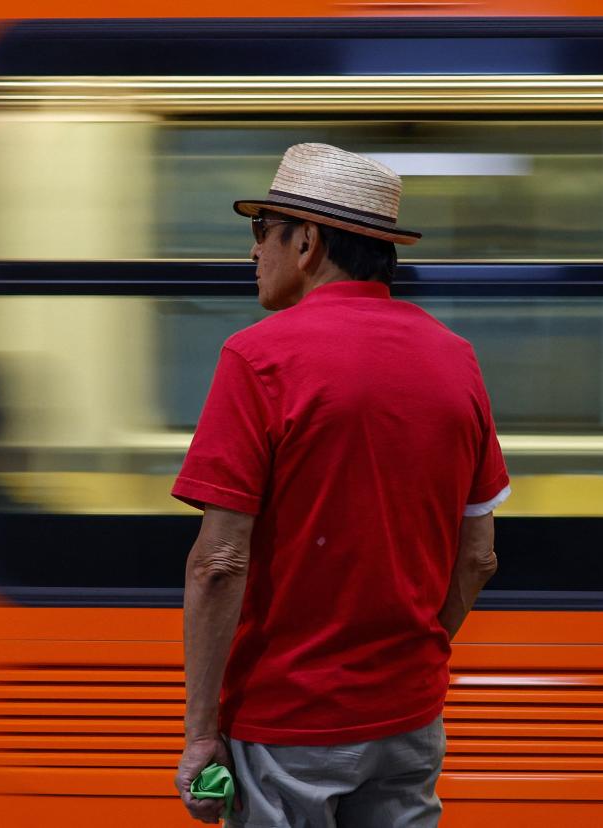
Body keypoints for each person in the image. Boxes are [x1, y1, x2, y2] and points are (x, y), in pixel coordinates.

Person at [170, 143, 510, 827]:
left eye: (262, 231)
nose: (254, 251)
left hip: (289, 722)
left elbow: (219, 563)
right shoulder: (456, 359)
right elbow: (478, 558)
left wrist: (201, 732)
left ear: (308, 242)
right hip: (410, 721)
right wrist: (411, 658)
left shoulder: (259, 357)